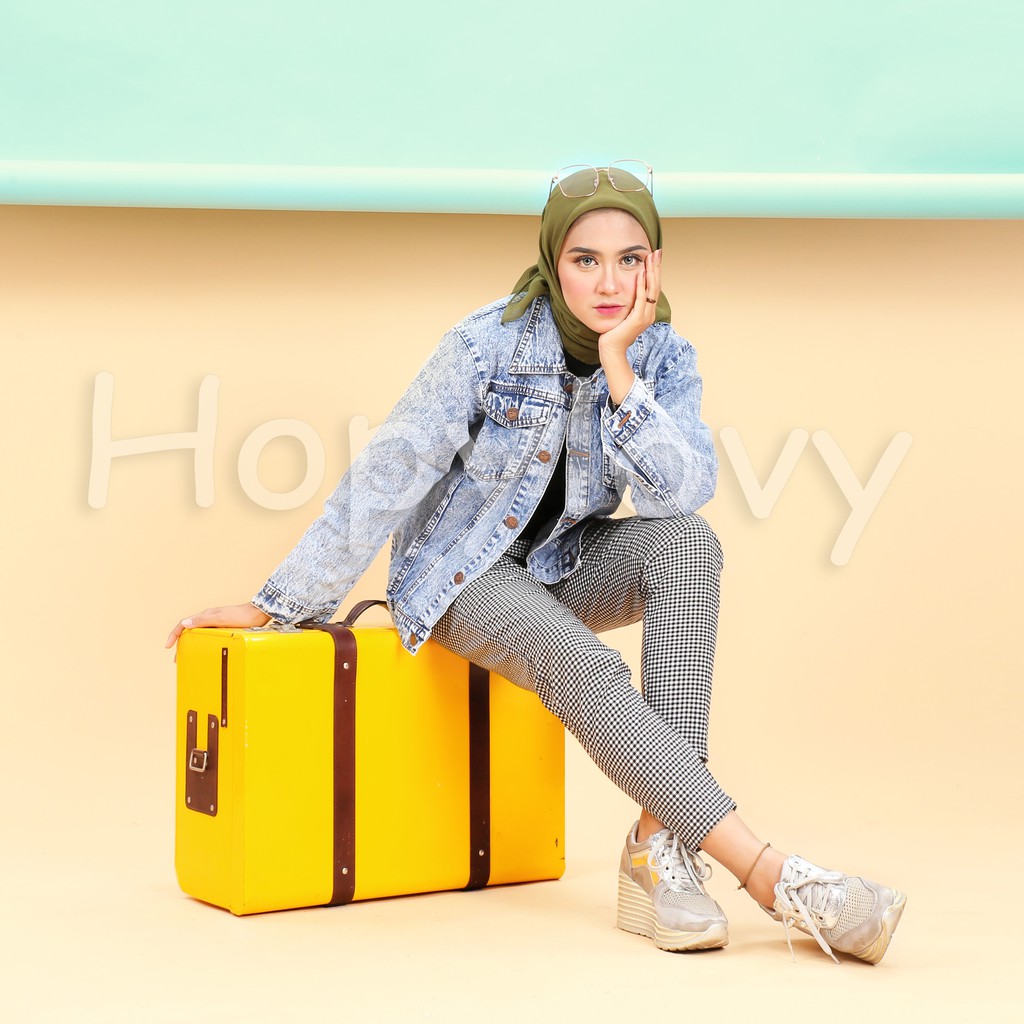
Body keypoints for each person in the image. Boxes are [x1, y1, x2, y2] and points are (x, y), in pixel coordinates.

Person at [166, 160, 906, 963]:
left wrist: (621, 373)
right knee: (585, 666)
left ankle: (658, 845)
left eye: (630, 259)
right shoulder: (486, 343)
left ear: (655, 264)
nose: (609, 282)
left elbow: (681, 493)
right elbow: (388, 472)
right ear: (554, 261)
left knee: (691, 544)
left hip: (562, 563)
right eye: (586, 259)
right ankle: (770, 876)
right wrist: (281, 603)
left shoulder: (663, 356)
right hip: (461, 577)